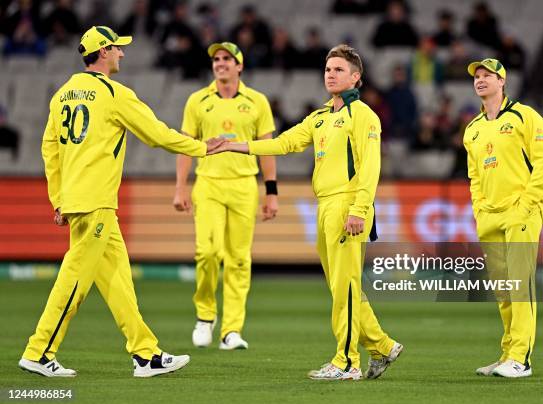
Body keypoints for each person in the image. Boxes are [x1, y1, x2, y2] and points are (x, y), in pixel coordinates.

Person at [18, 26, 224, 378]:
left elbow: (49, 149)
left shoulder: (62, 93)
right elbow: (157, 134)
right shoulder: (114, 94)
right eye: (117, 48)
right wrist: (203, 148)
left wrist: (58, 198)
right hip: (97, 199)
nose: (122, 54)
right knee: (75, 279)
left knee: (117, 281)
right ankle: (39, 351)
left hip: (77, 199)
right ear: (103, 52)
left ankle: (145, 355)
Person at [209, 44, 403, 381]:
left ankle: (346, 362)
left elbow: (370, 168)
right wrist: (234, 144)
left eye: (339, 70)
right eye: (328, 69)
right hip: (326, 204)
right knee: (341, 286)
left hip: (347, 203)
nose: (331, 74)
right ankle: (383, 346)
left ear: (356, 77)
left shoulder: (363, 116)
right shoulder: (320, 116)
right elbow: (282, 143)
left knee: (345, 286)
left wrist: (358, 209)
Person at [173, 41, 278, 351]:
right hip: (208, 183)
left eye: (227, 59)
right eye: (217, 59)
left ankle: (231, 330)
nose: (220, 63)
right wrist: (180, 186)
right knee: (207, 252)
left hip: (245, 185)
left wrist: (271, 192)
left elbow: (267, 149)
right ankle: (205, 317)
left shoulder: (257, 101)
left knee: (239, 260)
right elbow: (184, 145)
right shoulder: (197, 100)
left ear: (239, 66)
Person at [463, 58, 543, 378]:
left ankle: (522, 358)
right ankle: (508, 354)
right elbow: (474, 176)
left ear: (502, 82)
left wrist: (527, 203)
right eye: (477, 76)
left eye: (488, 75)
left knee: (520, 285)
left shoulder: (524, 116)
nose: (481, 80)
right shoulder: (472, 129)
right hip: (489, 215)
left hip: (521, 211)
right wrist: (479, 209)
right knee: (503, 289)